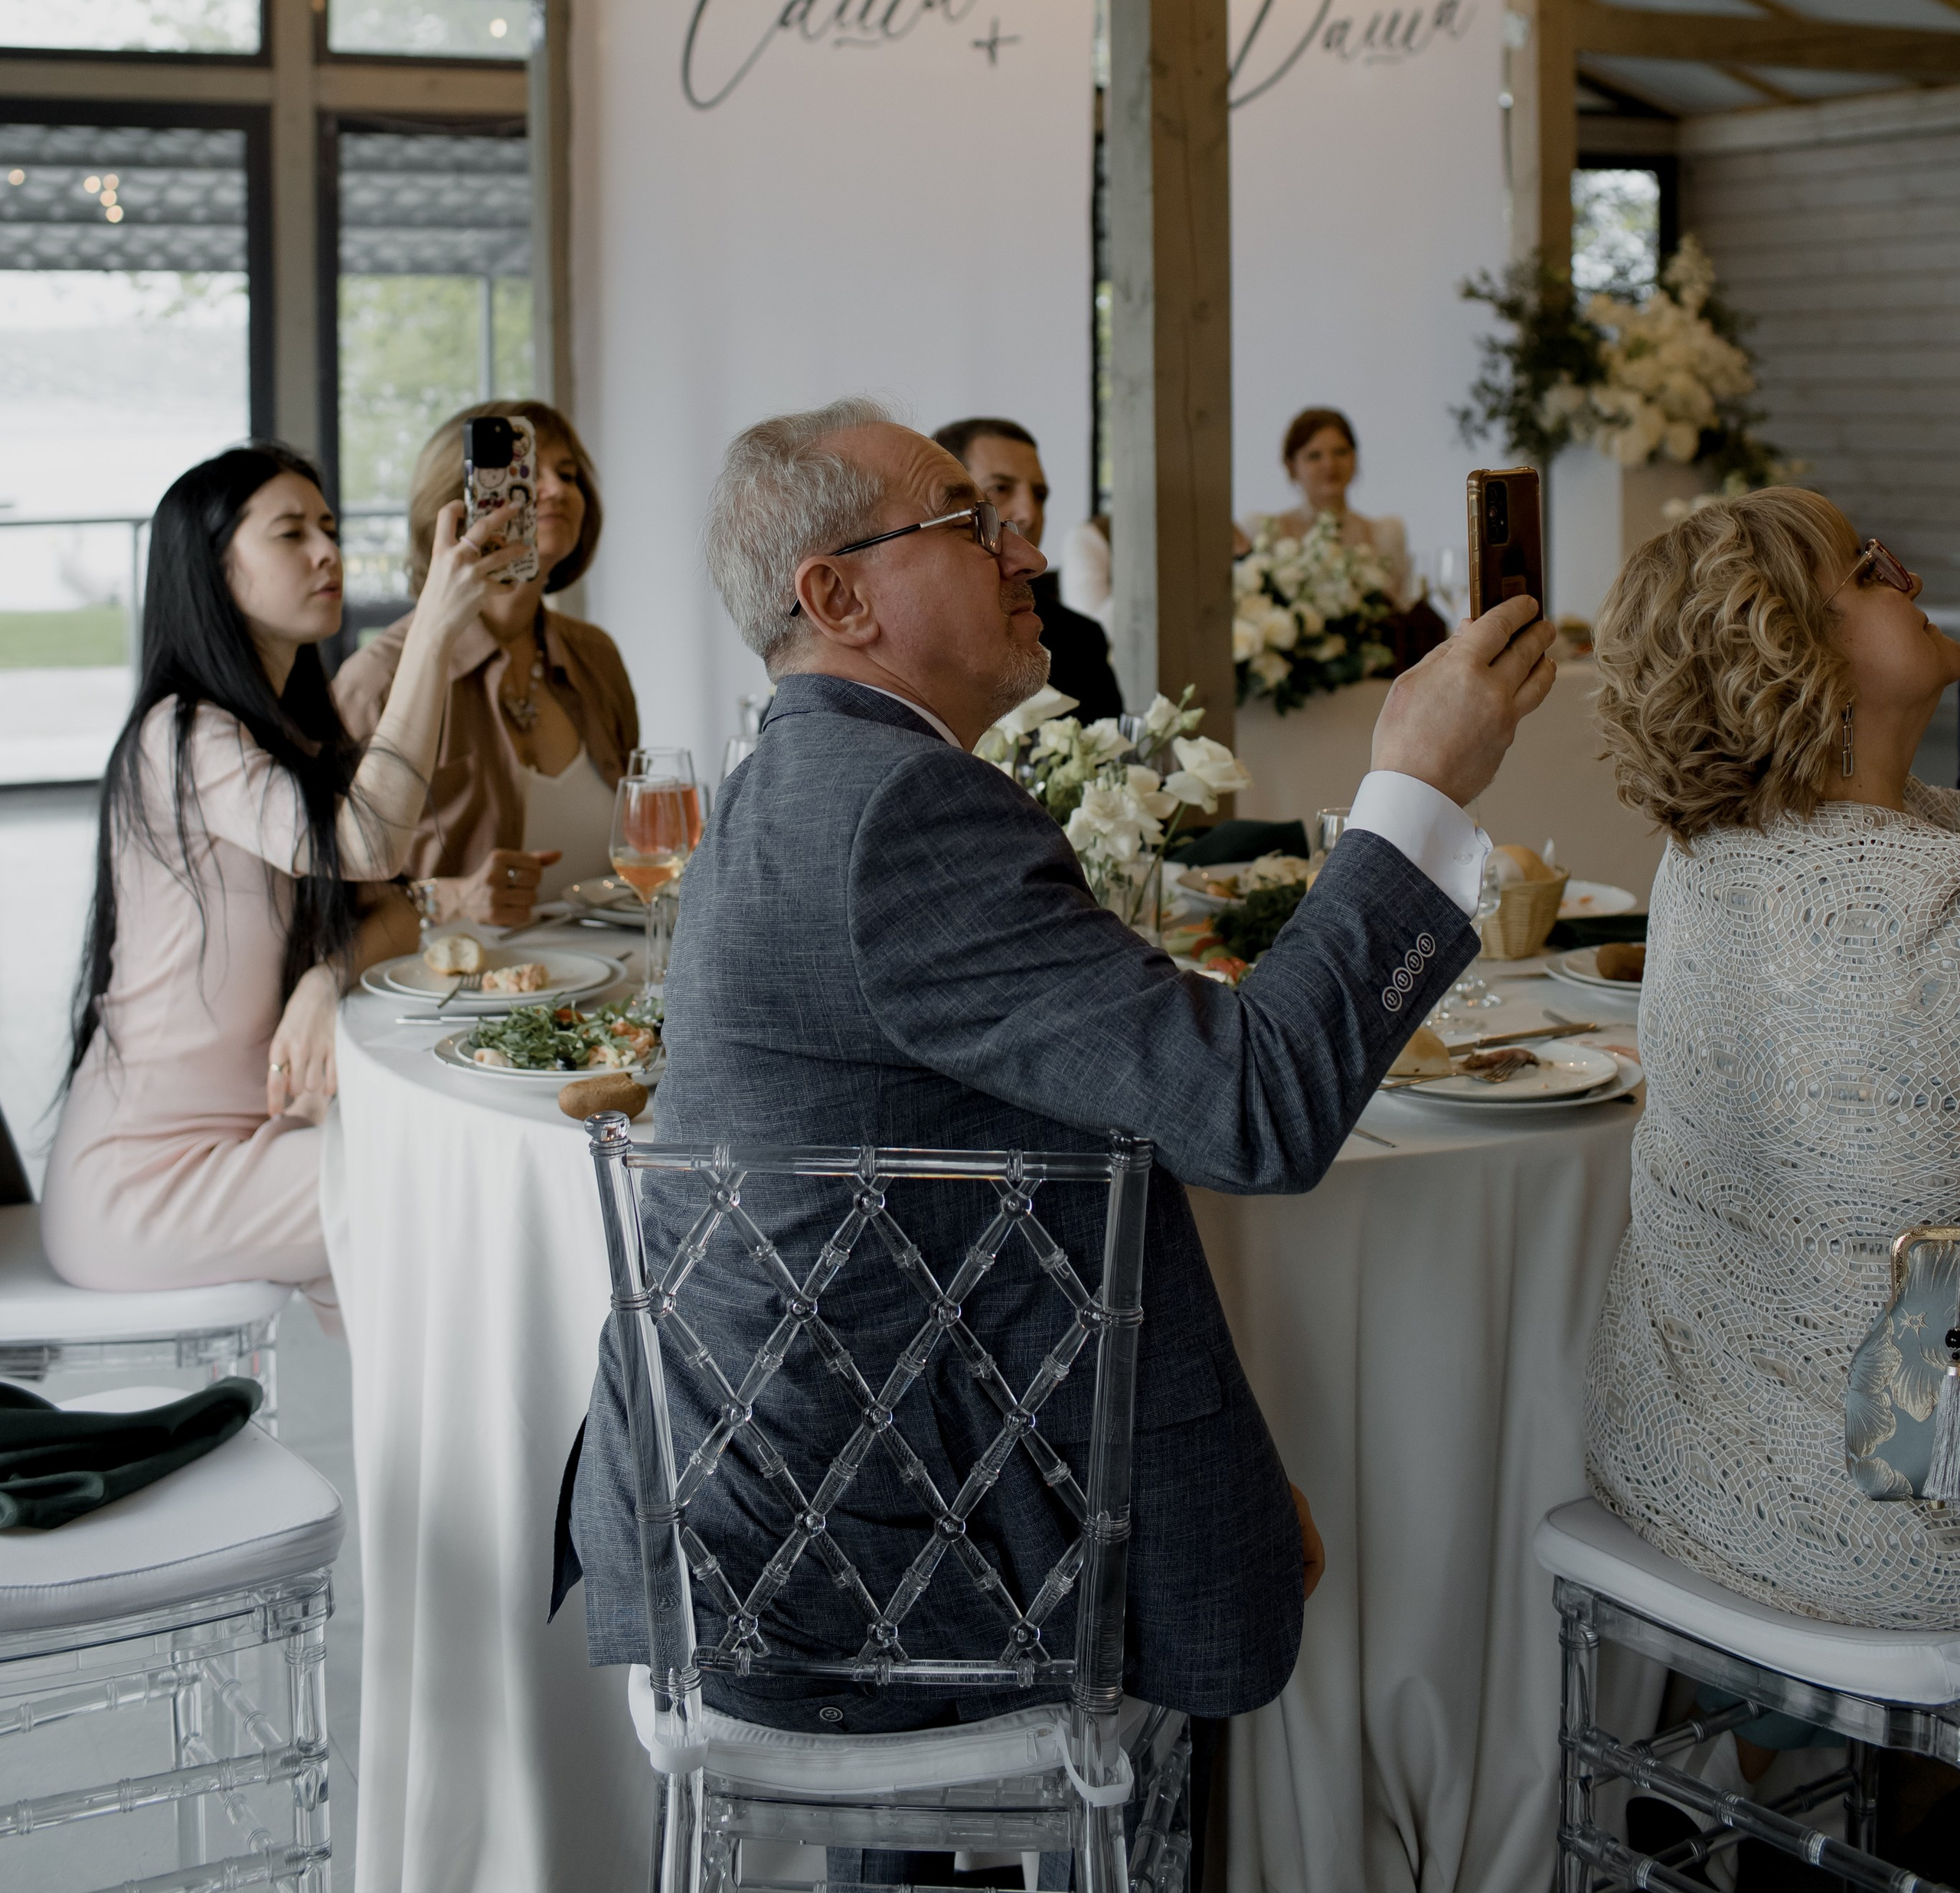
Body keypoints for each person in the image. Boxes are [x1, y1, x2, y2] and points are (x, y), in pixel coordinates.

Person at [562, 396, 1554, 1751]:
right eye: (972, 527)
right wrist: (1416, 788)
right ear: (838, 595)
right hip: (882, 1563)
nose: (1028, 551)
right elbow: (1256, 1109)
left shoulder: (790, 777)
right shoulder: (903, 807)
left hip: (753, 1513)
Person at [1586, 488, 1960, 1630]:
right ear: (1805, 654)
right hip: (1889, 1511)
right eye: (1862, 569)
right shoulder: (1918, 916)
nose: (1902, 571)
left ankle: (1767, 1756)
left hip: (1687, 1456)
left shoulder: (1706, 863)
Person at [41, 441, 515, 1298]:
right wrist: (436, 629)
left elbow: (397, 905)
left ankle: (424, 1435)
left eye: (328, 526)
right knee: (453, 1183)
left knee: (438, 1173)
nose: (327, 551)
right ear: (213, 571)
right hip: (147, 1179)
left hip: (261, 1136)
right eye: (290, 533)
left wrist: (326, 980)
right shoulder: (183, 735)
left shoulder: (291, 738)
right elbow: (369, 844)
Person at [334, 400, 637, 927]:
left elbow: (643, 843)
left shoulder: (597, 657)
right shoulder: (375, 682)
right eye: (525, 474)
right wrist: (449, 900)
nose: (558, 491)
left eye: (567, 475)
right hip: (452, 988)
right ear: (457, 503)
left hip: (608, 984)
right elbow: (331, 901)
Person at [932, 412, 1122, 718]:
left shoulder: (1080, 640)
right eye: (1001, 488)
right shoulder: (910, 629)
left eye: (1040, 495)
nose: (1030, 513)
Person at [1268, 405, 1411, 602]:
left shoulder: (1385, 534)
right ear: (1292, 467)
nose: (1330, 465)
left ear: (1354, 458)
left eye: (1340, 452)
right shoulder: (1271, 535)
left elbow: (1402, 607)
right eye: (1314, 456)